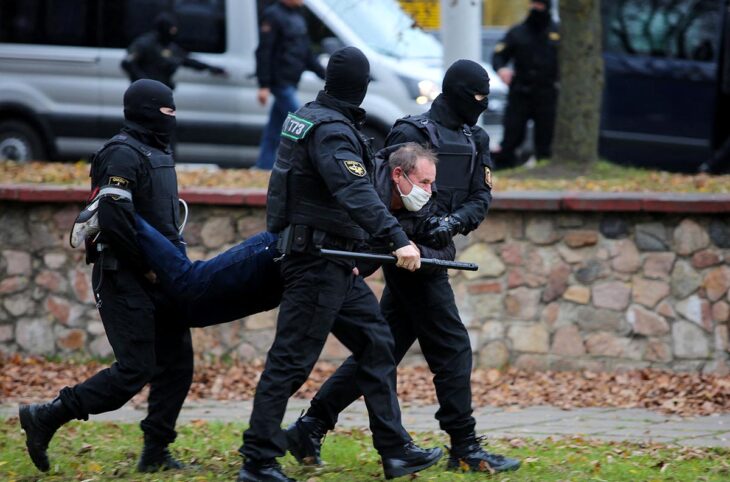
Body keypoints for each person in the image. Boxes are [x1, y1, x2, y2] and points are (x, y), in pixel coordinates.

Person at [286, 59, 521, 474]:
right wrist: (407, 237)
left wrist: (450, 223)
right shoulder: (410, 131)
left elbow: (481, 197)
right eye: (477, 97)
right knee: (452, 347)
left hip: (437, 251)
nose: (481, 105)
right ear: (456, 93)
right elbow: (383, 193)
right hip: (408, 254)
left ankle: (311, 424)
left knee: (382, 349)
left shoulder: (475, 137)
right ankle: (464, 445)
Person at [238, 46, 443, 482]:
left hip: (334, 259)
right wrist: (398, 239)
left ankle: (395, 451)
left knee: (377, 345)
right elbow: (356, 193)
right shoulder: (331, 130)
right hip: (316, 261)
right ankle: (257, 460)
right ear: (362, 88)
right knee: (291, 362)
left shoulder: (314, 116)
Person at [19, 79, 195, 474]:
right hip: (123, 276)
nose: (173, 117)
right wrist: (146, 267)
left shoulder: (156, 151)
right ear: (150, 111)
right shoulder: (121, 154)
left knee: (178, 364)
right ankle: (46, 416)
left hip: (159, 276)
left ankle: (155, 453)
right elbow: (114, 219)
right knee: (135, 369)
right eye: (167, 110)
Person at [253, 0, 326, 170]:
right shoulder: (273, 15)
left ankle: (263, 166)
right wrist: (263, 85)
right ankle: (314, 167)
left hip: (292, 81)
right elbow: (264, 51)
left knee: (274, 130)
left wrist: (325, 75)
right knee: (303, 122)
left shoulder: (297, 16)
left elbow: (306, 51)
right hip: (280, 82)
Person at [491, 0, 559, 169]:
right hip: (520, 92)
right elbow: (499, 55)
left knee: (546, 138)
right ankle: (505, 167)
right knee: (512, 135)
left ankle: (544, 167)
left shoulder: (558, 32)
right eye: (534, 4)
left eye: (540, 5)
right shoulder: (518, 32)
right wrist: (502, 69)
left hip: (547, 92)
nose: (537, 8)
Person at [121, 12, 226, 90]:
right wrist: (145, 82)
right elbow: (127, 63)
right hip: (144, 92)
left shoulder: (170, 46)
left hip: (161, 91)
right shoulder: (145, 44)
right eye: (171, 30)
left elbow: (186, 60)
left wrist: (210, 68)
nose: (173, 33)